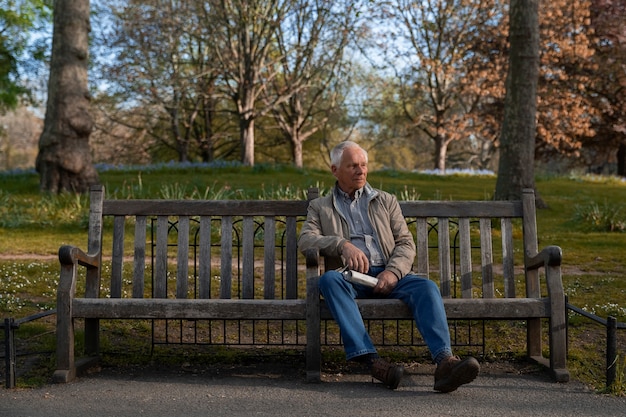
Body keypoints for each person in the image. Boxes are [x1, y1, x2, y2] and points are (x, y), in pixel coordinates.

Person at [298, 141, 480, 392]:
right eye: (352, 166)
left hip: (390, 273)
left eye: (363, 165)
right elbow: (306, 239)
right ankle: (373, 362)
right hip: (352, 278)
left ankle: (445, 363)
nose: (360, 170)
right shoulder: (321, 207)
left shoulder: (385, 201)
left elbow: (405, 243)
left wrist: (393, 272)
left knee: (426, 287)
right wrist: (342, 245)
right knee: (329, 280)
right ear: (334, 169)